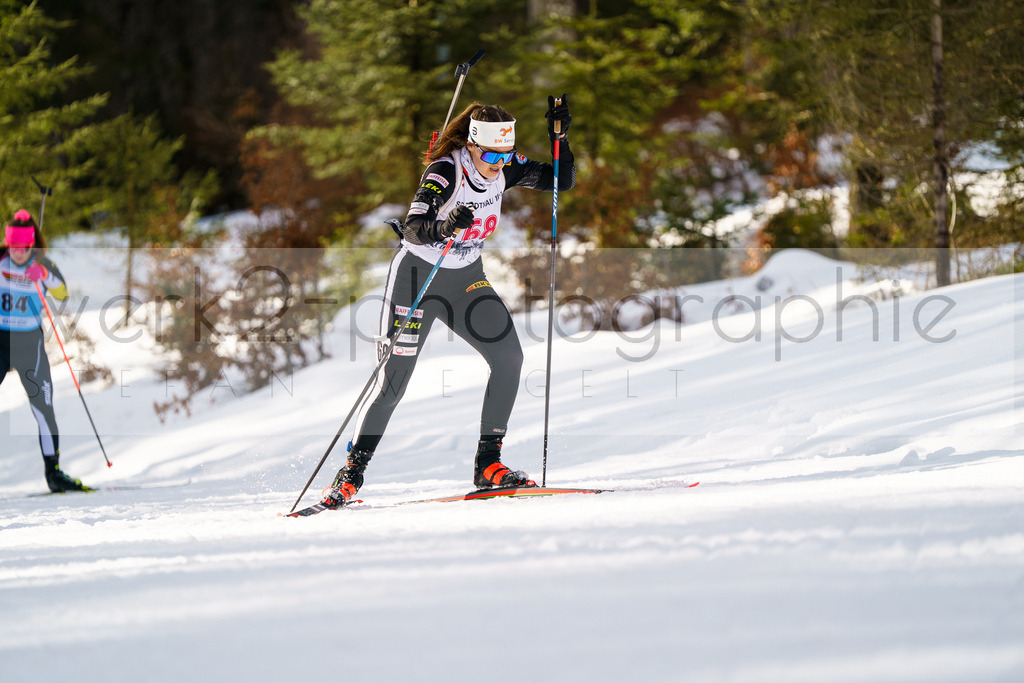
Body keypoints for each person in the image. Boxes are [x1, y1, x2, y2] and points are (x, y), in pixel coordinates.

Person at [321, 94, 575, 507]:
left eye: (505, 153)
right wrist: (444, 225)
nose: (499, 163)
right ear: (472, 145)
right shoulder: (444, 171)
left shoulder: (505, 167)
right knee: (394, 382)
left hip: (465, 282)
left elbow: (559, 181)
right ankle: (352, 473)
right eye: (491, 154)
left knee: (509, 358)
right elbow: (414, 228)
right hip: (417, 281)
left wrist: (561, 140)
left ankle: (488, 463)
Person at [1, 209, 88, 492]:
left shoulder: (42, 263)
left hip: (29, 344)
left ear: (32, 245)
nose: (17, 254)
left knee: (43, 409)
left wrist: (46, 275)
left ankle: (53, 473)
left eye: (23, 249)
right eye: (13, 247)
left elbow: (62, 293)